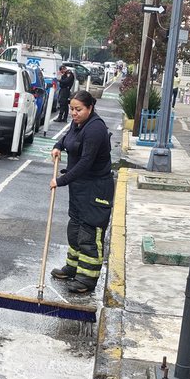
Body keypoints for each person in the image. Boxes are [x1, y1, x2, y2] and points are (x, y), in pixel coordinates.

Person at [49, 90, 114, 294]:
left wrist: (60, 181)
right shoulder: (78, 123)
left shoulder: (95, 129)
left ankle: (86, 279)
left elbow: (86, 162)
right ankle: (74, 268)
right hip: (80, 188)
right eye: (71, 109)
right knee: (75, 229)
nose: (73, 113)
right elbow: (68, 137)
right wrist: (57, 146)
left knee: (89, 233)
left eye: (78, 110)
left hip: (96, 188)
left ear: (90, 108)